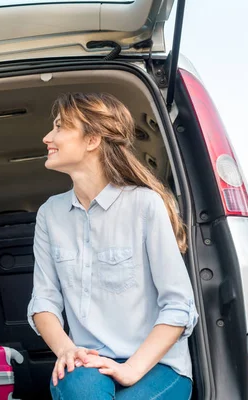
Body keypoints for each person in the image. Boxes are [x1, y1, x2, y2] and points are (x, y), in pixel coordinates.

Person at [27, 93, 199, 399]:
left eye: (59, 127)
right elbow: (44, 302)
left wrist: (131, 369)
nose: (47, 137)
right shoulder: (49, 214)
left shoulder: (145, 205)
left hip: (156, 365)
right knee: (79, 387)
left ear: (92, 139)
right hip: (87, 362)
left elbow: (178, 307)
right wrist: (68, 351)